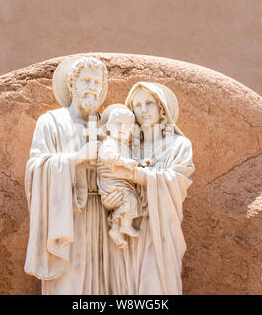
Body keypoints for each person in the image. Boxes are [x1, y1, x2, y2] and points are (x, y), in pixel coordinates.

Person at [24, 56, 121, 294]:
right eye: (86, 80)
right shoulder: (51, 122)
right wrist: (77, 158)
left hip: (104, 215)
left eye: (97, 83)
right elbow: (36, 169)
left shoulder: (108, 125)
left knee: (103, 284)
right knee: (69, 284)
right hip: (68, 217)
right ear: (71, 84)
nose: (92, 87)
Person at [101, 82, 195, 294]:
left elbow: (177, 180)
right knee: (125, 288)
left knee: (155, 286)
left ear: (161, 107)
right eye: (137, 105)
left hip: (159, 229)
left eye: (149, 103)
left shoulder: (179, 145)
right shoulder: (124, 145)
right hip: (127, 230)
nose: (143, 110)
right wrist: (110, 197)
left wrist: (136, 174)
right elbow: (105, 173)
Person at [97, 105, 141, 249]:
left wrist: (141, 163)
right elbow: (108, 157)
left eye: (127, 126)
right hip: (111, 185)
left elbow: (132, 161)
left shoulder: (125, 147)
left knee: (129, 202)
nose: (123, 128)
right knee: (130, 200)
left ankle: (117, 228)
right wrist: (125, 162)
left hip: (122, 185)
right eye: (119, 124)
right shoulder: (109, 143)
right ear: (109, 126)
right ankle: (123, 227)